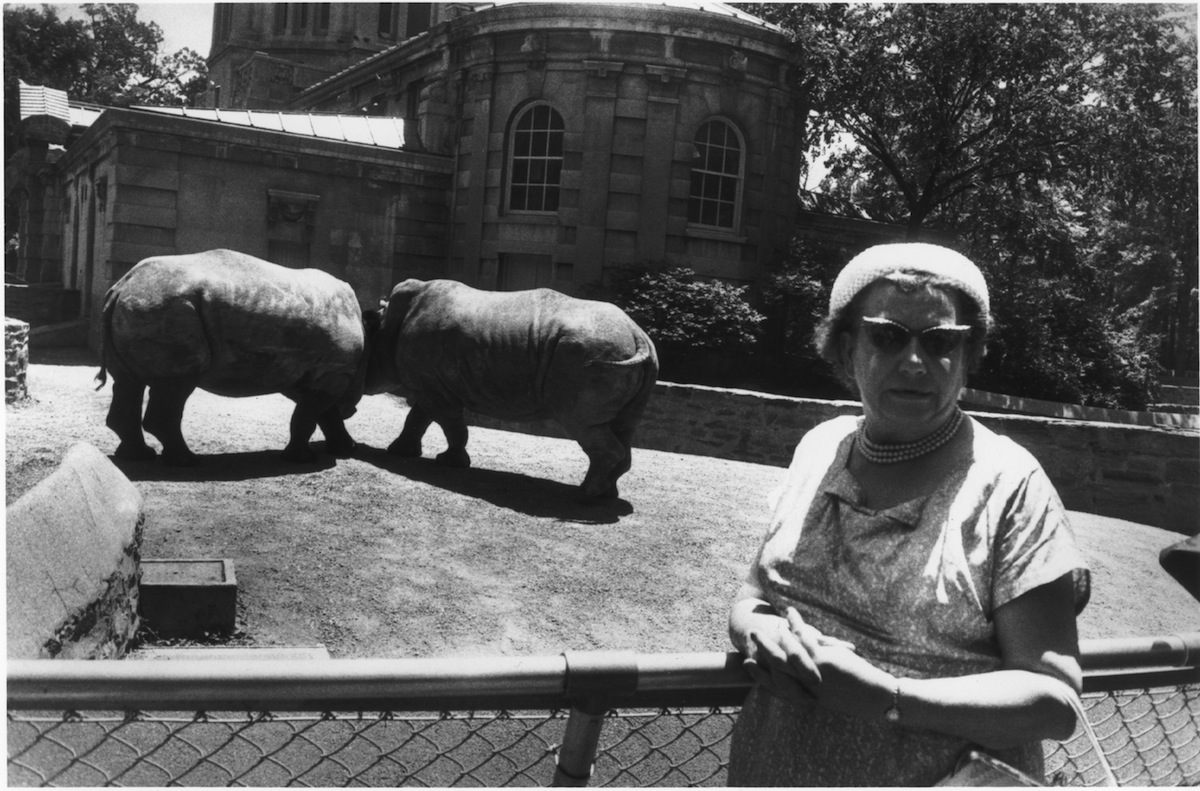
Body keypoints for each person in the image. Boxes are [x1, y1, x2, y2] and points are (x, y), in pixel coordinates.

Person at [727, 242, 1090, 786]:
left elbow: (1055, 700)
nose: (915, 361)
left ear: (970, 355)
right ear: (847, 346)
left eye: (941, 341)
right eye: (888, 335)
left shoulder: (1009, 485)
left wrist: (889, 698)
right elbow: (755, 590)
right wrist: (756, 629)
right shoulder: (818, 449)